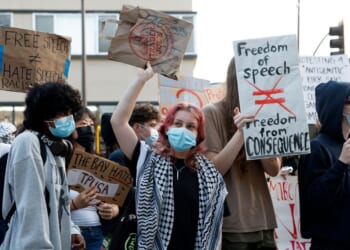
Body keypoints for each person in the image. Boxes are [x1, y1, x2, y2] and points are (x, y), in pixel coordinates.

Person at [110, 62, 227, 249]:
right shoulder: (147, 159)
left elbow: (215, 229)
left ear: (198, 135)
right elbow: (118, 121)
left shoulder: (209, 174)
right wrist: (141, 80)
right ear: (167, 127)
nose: (183, 129)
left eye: (190, 127)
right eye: (178, 124)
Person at [202, 57, 281, 250]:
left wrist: (256, 130)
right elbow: (214, 170)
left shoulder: (268, 113)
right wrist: (240, 134)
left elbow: (274, 169)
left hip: (264, 219)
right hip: (232, 225)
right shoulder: (211, 112)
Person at [1, 82, 85, 250]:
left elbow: (60, 201)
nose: (68, 119)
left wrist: (72, 231)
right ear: (43, 116)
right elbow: (30, 206)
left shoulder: (55, 148)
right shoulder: (28, 143)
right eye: (62, 113)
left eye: (70, 113)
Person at [298, 81, 350, 249]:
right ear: (336, 108)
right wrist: (341, 163)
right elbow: (315, 200)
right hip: (329, 243)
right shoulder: (317, 148)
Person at [69, 107, 119, 250]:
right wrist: (74, 204)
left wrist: (112, 210)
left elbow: (114, 201)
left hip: (95, 234)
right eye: (83, 124)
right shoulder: (60, 162)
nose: (89, 129)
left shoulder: (99, 164)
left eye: (91, 125)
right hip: (68, 233)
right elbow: (47, 206)